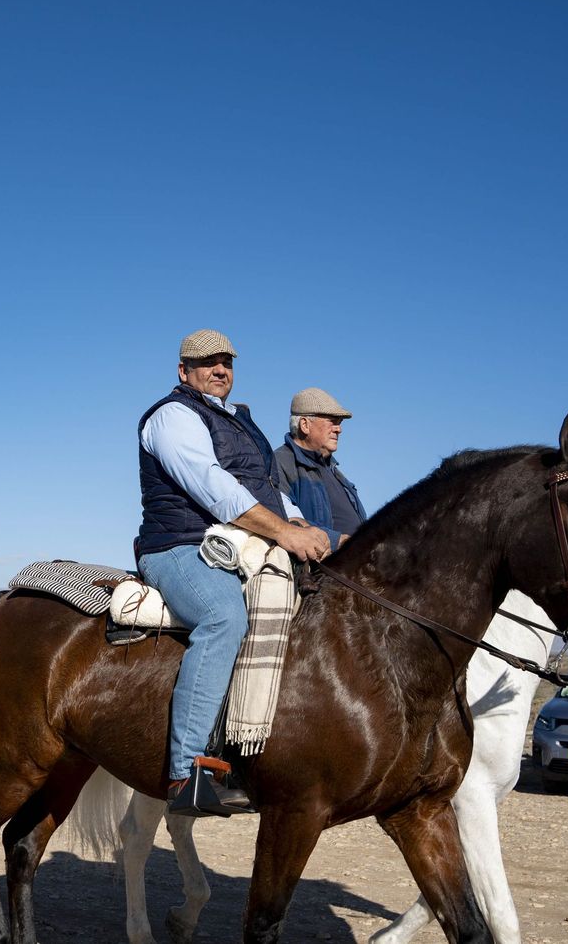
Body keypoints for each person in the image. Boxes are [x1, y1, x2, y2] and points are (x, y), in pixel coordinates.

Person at [135, 329, 333, 813]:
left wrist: (299, 520)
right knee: (224, 617)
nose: (220, 370)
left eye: (227, 362)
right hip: (178, 547)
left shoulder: (240, 421)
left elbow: (260, 486)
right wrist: (285, 535)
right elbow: (213, 487)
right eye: (207, 363)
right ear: (184, 371)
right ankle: (186, 775)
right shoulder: (172, 416)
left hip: (235, 542)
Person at [274, 387, 367, 544]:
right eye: (332, 422)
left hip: (359, 560)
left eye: (340, 423)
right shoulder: (280, 463)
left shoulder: (335, 471)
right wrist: (336, 541)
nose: (339, 429)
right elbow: (281, 519)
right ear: (305, 425)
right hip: (322, 565)